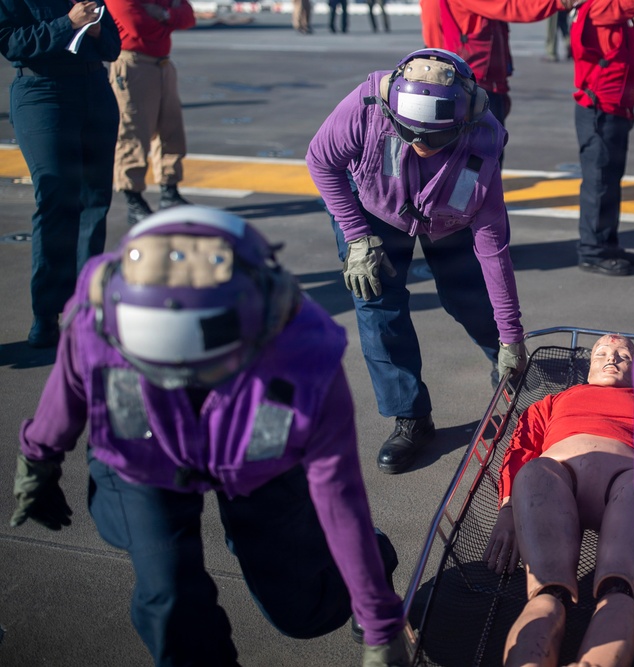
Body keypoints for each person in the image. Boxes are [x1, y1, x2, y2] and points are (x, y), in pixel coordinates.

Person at [9, 206, 408, 667]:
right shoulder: (100, 310)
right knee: (171, 600)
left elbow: (338, 491)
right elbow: (71, 381)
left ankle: (373, 560)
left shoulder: (306, 354)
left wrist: (379, 622)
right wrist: (38, 458)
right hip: (146, 454)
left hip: (256, 453)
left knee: (305, 611)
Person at [306, 49, 529, 476]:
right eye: (410, 135)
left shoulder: (483, 142)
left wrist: (512, 335)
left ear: (464, 121)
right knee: (377, 304)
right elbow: (321, 160)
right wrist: (356, 236)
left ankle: (511, 369)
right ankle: (410, 416)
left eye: (435, 138)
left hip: (447, 217)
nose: (421, 146)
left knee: (471, 297)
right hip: (370, 208)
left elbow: (492, 244)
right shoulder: (368, 106)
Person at [484, 334, 634, 667]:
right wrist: (509, 509)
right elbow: (521, 449)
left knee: (620, 587)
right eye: (601, 353)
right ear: (588, 367)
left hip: (627, 480)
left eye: (623, 356)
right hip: (556, 476)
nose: (611, 359)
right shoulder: (554, 401)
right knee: (535, 471)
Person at [0, 0, 121, 348]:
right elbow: (10, 43)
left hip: (95, 90)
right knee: (56, 199)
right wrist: (66, 24)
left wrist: (97, 29)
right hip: (42, 93)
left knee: (95, 202)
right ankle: (47, 313)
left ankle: (86, 307)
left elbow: (113, 48)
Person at [571, 0, 634, 276]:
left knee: (609, 180)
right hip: (601, 109)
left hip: (614, 108)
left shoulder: (609, 9)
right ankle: (593, 250)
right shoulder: (600, 7)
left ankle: (606, 243)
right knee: (599, 182)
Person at [105, 0, 196, 227]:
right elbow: (137, 26)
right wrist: (170, 18)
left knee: (171, 130)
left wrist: (162, 16)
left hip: (162, 64)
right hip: (133, 63)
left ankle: (169, 191)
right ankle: (133, 198)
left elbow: (188, 17)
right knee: (133, 133)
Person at [438, 0, 571, 129]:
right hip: (472, 86)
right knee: (482, 147)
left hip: (486, 82)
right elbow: (510, 6)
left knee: (492, 144)